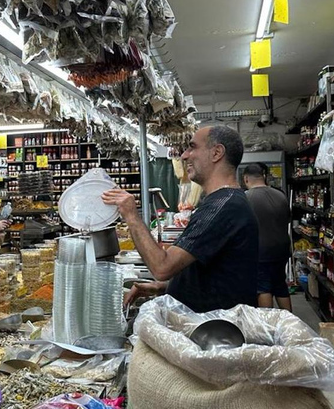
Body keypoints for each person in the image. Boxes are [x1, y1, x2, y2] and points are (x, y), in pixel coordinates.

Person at [103, 125, 259, 313]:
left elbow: (162, 267)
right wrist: (165, 287)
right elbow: (217, 274)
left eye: (192, 147)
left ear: (217, 153)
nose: (185, 155)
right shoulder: (226, 201)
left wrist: (131, 215)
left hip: (213, 332)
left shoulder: (222, 206)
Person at [243, 163, 293, 311]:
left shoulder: (246, 198)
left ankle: (268, 326)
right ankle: (290, 322)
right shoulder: (280, 195)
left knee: (263, 288)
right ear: (263, 177)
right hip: (282, 250)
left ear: (246, 179)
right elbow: (287, 219)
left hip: (261, 252)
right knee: (280, 285)